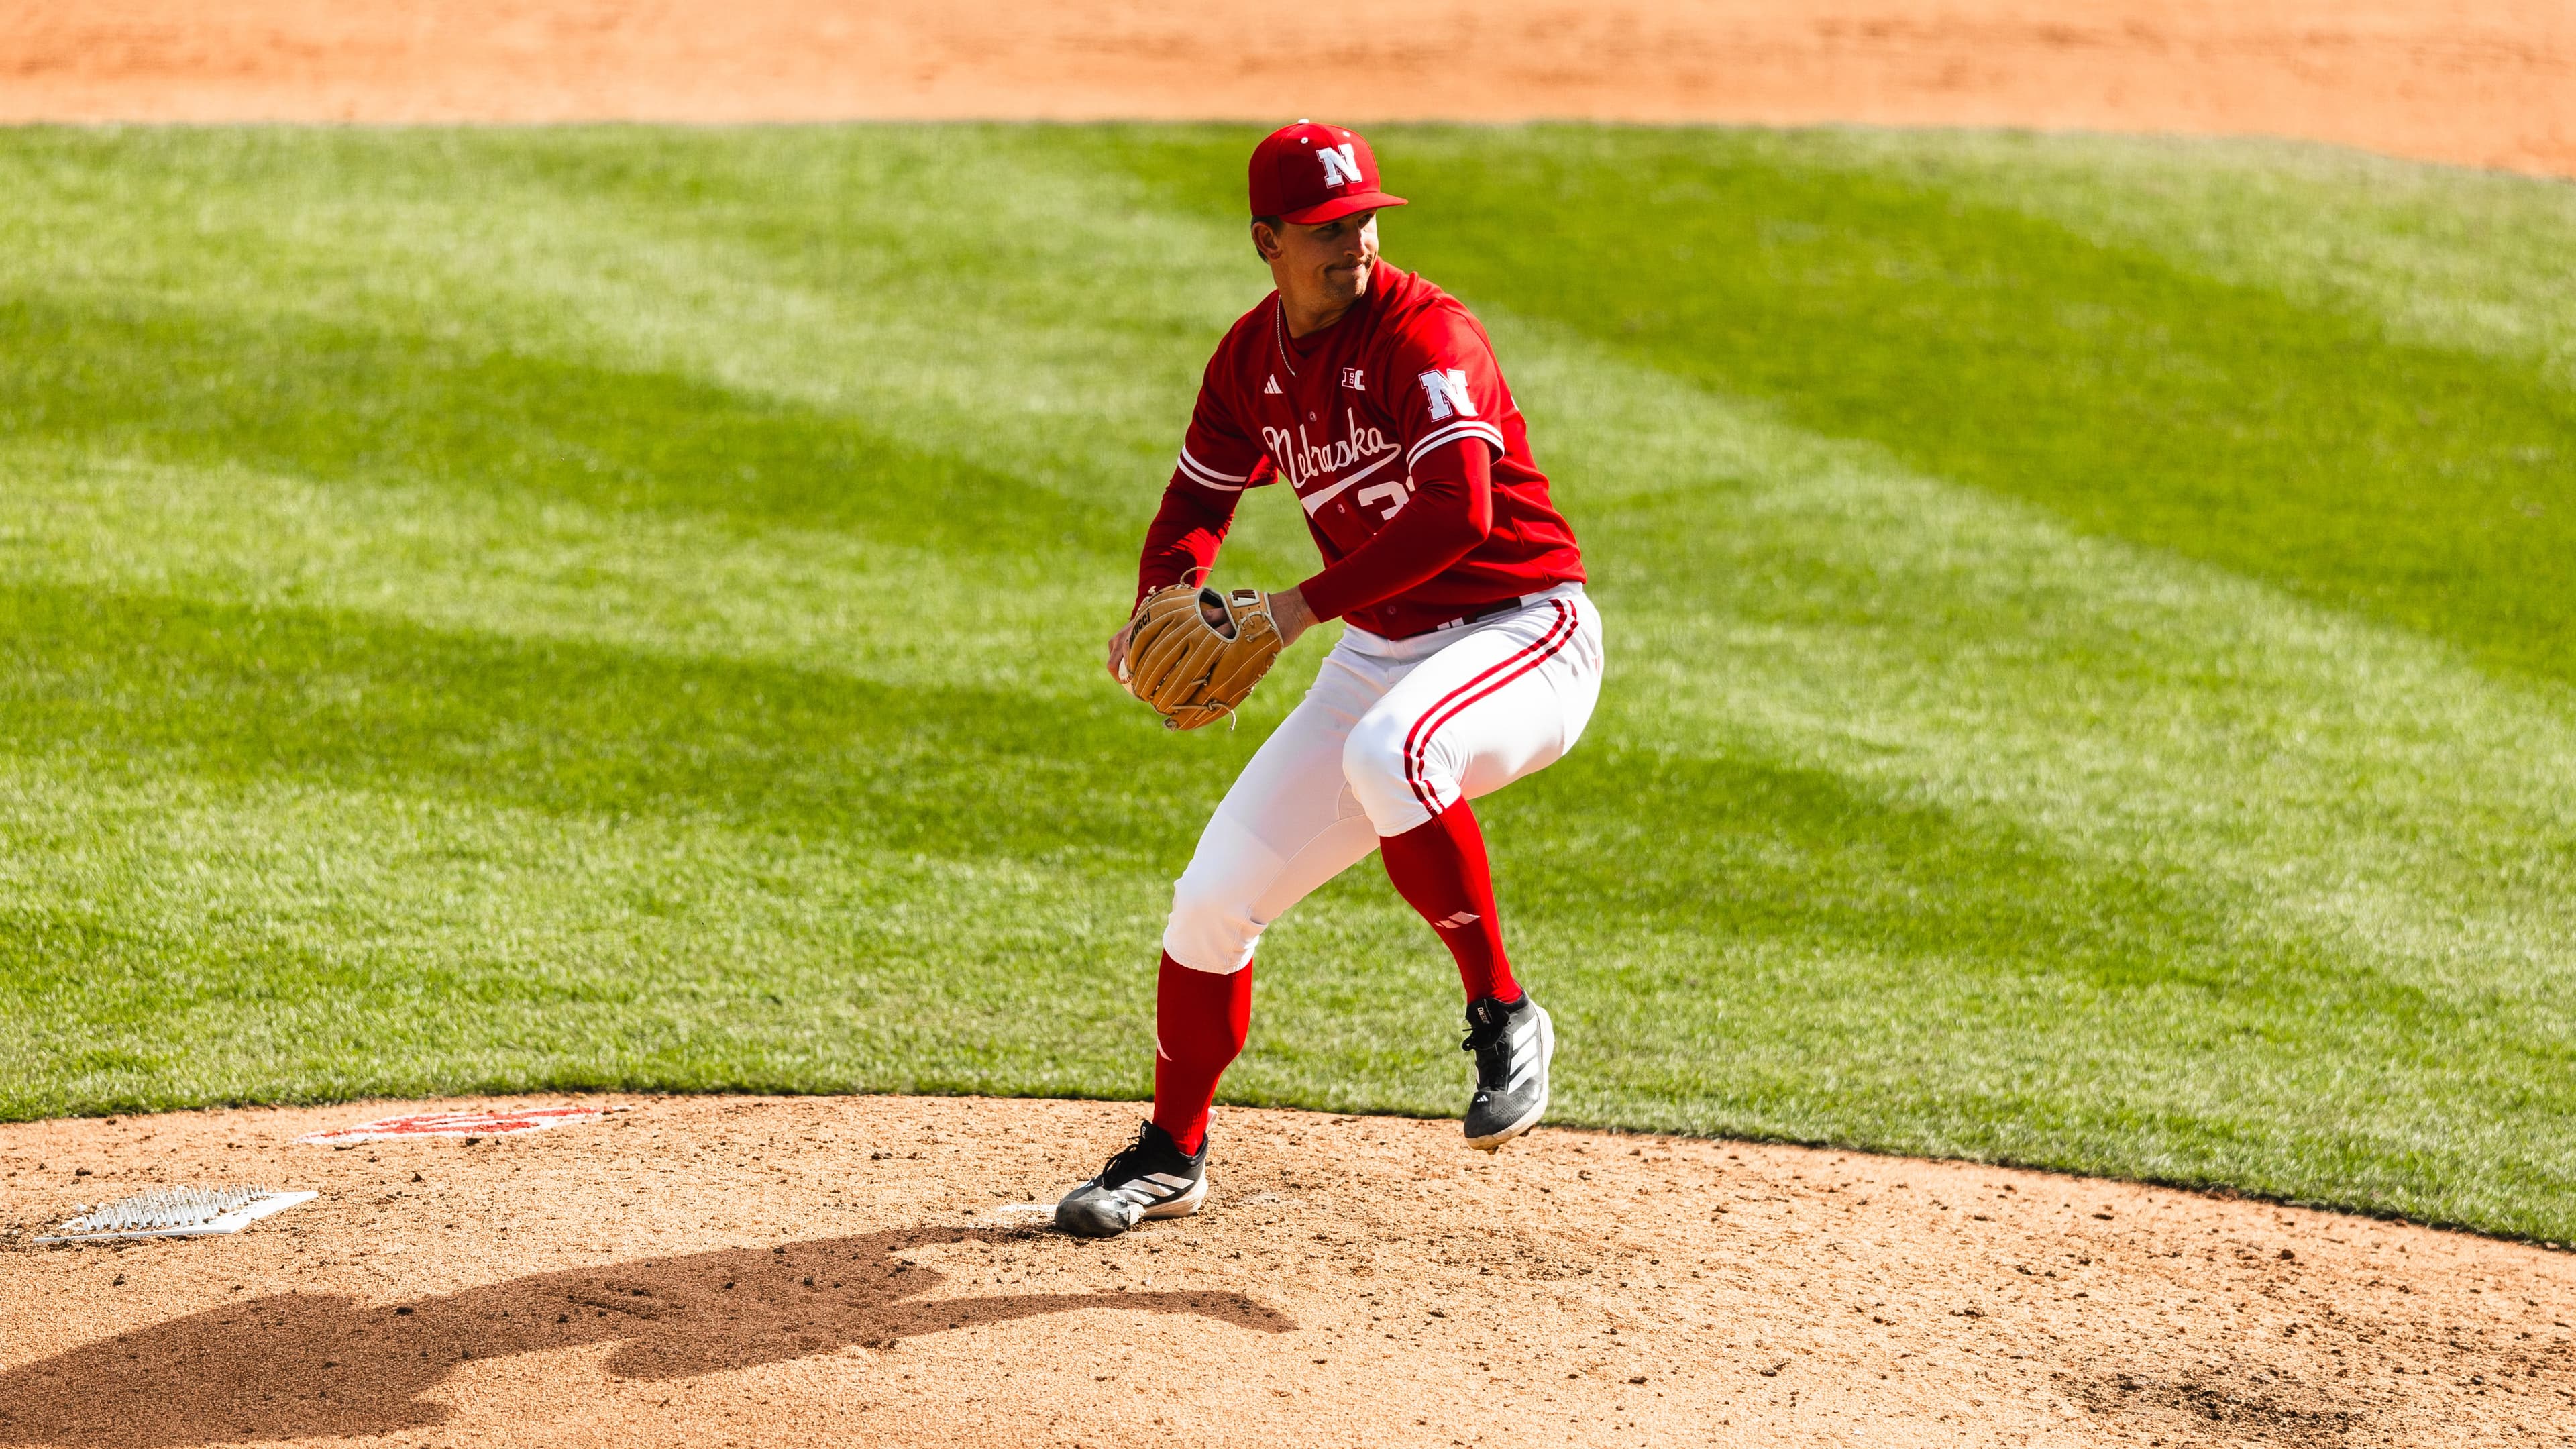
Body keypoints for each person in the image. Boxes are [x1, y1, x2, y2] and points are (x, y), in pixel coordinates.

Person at [1055, 121, 1604, 1238]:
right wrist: (1160, 602)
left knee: (1395, 750)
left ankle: (1505, 1012)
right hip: (1384, 650)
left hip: (1523, 631)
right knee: (1212, 902)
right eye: (1323, 228)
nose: (1352, 242)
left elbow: (1464, 511)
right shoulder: (1249, 363)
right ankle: (1173, 1150)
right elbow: (1196, 509)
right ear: (1267, 242)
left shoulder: (1425, 334)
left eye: (1362, 220)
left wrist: (1298, 607)